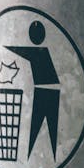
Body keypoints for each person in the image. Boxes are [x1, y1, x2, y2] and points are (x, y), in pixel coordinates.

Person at [5, 20, 60, 159]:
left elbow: (24, 52)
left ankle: (42, 156)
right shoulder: (43, 51)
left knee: (39, 129)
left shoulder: (40, 52)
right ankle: (46, 155)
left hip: (44, 91)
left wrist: (8, 47)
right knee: (46, 130)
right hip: (51, 90)